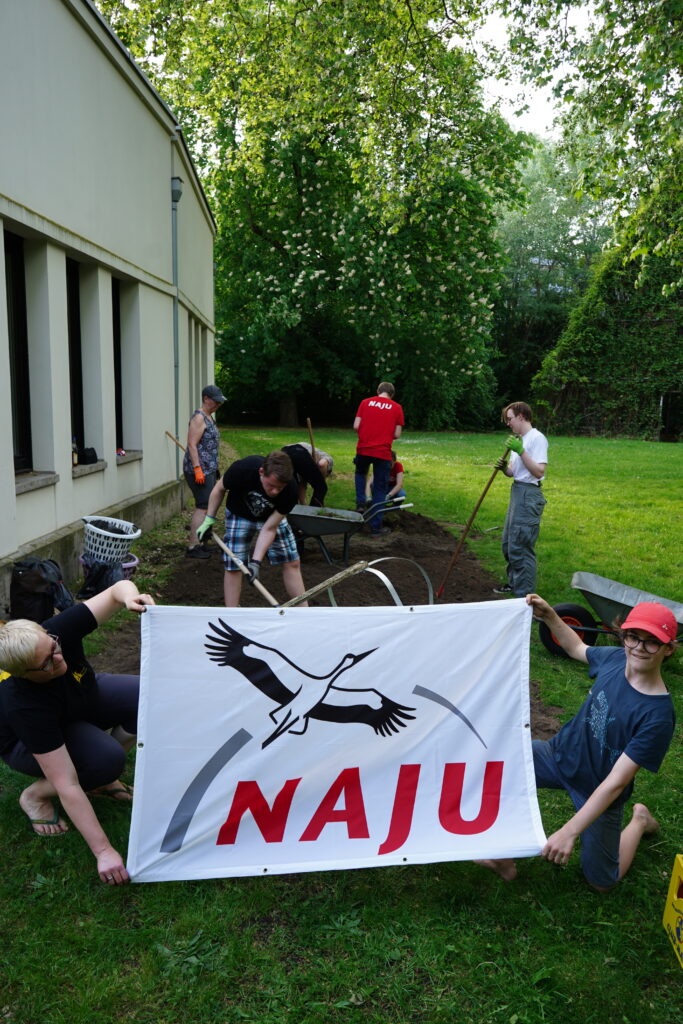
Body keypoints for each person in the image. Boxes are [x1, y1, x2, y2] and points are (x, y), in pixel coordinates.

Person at [479, 597, 677, 890]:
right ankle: (502, 853)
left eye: (651, 642)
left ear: (668, 648)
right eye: (633, 637)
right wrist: (549, 616)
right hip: (557, 756)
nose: (638, 648)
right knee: (494, 769)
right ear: (624, 635)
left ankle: (639, 820)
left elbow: (616, 783)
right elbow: (576, 647)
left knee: (602, 882)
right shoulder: (614, 659)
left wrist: (569, 831)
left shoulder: (657, 716)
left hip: (596, 789)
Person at [0, 579, 154, 886]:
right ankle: (35, 796)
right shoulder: (23, 705)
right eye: (47, 662)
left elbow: (117, 589)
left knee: (149, 696)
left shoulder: (56, 633)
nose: (59, 657)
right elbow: (67, 783)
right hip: (24, 743)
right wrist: (104, 852)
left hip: (78, 699)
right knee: (104, 761)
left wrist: (131, 599)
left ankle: (98, 776)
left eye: (54, 647)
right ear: (25, 674)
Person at [197, 451, 308, 608]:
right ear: (261, 472)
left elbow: (269, 528)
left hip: (270, 518)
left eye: (280, 488)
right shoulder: (243, 469)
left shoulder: (290, 491)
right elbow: (218, 490)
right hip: (240, 513)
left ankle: (304, 611)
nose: (275, 492)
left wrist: (256, 562)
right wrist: (209, 519)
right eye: (271, 485)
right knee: (234, 565)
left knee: (292, 561)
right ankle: (233, 614)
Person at [493, 401, 547, 596]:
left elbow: (539, 471)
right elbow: (515, 472)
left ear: (521, 417)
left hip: (528, 495)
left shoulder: (536, 438)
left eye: (510, 419)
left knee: (521, 546)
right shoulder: (521, 438)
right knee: (508, 543)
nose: (508, 423)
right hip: (517, 492)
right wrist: (504, 468)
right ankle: (514, 583)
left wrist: (521, 450)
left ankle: (524, 596)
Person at [353, 382, 404, 535]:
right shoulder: (396, 407)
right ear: (392, 394)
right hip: (382, 453)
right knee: (380, 488)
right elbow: (397, 434)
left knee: (361, 473)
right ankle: (375, 527)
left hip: (363, 448)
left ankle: (361, 502)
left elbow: (356, 425)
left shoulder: (365, 402)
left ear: (378, 391)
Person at [183, 383, 226, 559]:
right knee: (203, 506)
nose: (217, 405)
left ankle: (203, 541)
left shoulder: (209, 417)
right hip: (198, 471)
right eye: (215, 401)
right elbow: (192, 444)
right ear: (206, 398)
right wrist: (197, 468)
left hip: (208, 469)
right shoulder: (199, 418)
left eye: (219, 402)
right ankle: (193, 547)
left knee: (209, 506)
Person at [281, 442, 334, 507]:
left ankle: (293, 511)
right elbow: (322, 464)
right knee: (321, 488)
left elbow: (302, 485)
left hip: (284, 451)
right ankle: (313, 514)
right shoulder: (328, 458)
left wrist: (303, 505)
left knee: (293, 487)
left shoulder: (308, 464)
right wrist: (321, 481)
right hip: (299, 451)